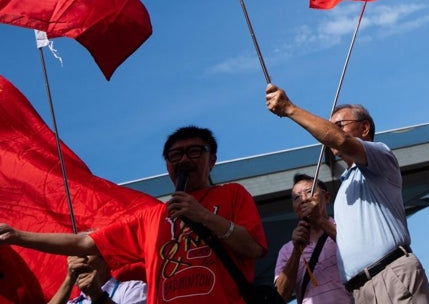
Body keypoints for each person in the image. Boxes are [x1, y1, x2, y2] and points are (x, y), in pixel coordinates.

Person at [0, 126, 266, 302]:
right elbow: (85, 242)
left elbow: (253, 247)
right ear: (167, 165)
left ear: (213, 160)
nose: (184, 160)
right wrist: (17, 235)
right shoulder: (150, 217)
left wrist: (204, 216)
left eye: (194, 152)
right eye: (175, 155)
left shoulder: (233, 194)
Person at [265, 91, 429, 303]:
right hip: (360, 289)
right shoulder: (346, 186)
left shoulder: (380, 155)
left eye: (340, 124)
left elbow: (341, 140)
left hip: (389, 274)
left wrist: (290, 109)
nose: (332, 131)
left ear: (364, 128)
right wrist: (318, 221)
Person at [273, 175, 351, 304]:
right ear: (294, 208)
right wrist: (297, 252)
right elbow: (281, 295)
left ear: (327, 198)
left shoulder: (345, 227)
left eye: (309, 192)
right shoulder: (287, 250)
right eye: (297, 197)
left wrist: (319, 220)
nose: (303, 199)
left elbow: (358, 250)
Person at [47, 254, 146, 304]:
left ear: (105, 259)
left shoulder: (132, 289)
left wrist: (97, 294)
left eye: (85, 254)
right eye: (74, 256)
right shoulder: (73, 302)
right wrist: (69, 279)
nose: (77, 262)